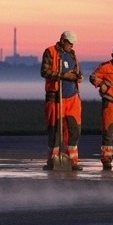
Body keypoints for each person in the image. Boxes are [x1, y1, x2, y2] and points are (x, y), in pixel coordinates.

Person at [39, 31, 84, 171]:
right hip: (56, 98)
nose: (71, 46)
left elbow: (77, 71)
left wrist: (78, 77)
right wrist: (64, 76)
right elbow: (44, 72)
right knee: (55, 129)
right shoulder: (50, 52)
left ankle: (72, 160)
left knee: (74, 129)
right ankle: (54, 159)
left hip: (72, 97)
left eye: (72, 44)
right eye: (69, 43)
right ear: (62, 40)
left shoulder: (72, 54)